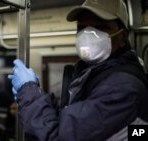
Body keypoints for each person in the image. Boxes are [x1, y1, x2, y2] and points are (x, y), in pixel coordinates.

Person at [8, 0, 148, 140]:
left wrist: (29, 94)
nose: (87, 35)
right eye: (81, 27)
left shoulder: (123, 87)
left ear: (123, 36)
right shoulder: (91, 74)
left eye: (100, 27)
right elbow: (69, 123)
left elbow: (58, 137)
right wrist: (35, 93)